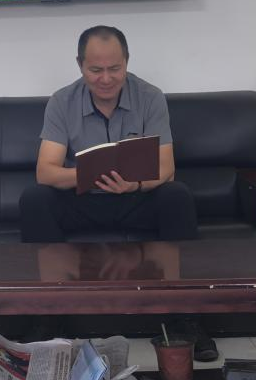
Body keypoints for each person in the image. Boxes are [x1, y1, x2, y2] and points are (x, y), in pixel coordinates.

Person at [18, 25, 214, 361]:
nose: (106, 79)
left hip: (135, 198)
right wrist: (86, 175)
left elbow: (166, 168)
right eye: (96, 70)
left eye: (115, 68)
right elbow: (45, 171)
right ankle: (48, 317)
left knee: (177, 195)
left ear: (127, 62)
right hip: (83, 200)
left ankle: (185, 318)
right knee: (35, 199)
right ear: (80, 65)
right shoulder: (62, 101)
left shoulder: (149, 96)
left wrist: (134, 184)